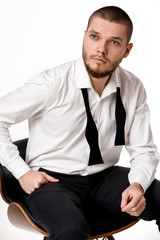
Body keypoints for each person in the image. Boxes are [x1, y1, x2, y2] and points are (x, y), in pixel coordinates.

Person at [0, 6, 160, 240]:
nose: (101, 50)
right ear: (85, 36)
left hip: (104, 177)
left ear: (127, 50)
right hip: (52, 181)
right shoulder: (51, 83)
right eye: (94, 37)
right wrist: (22, 172)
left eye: (114, 42)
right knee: (70, 230)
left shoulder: (132, 88)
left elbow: (143, 149)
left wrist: (137, 184)